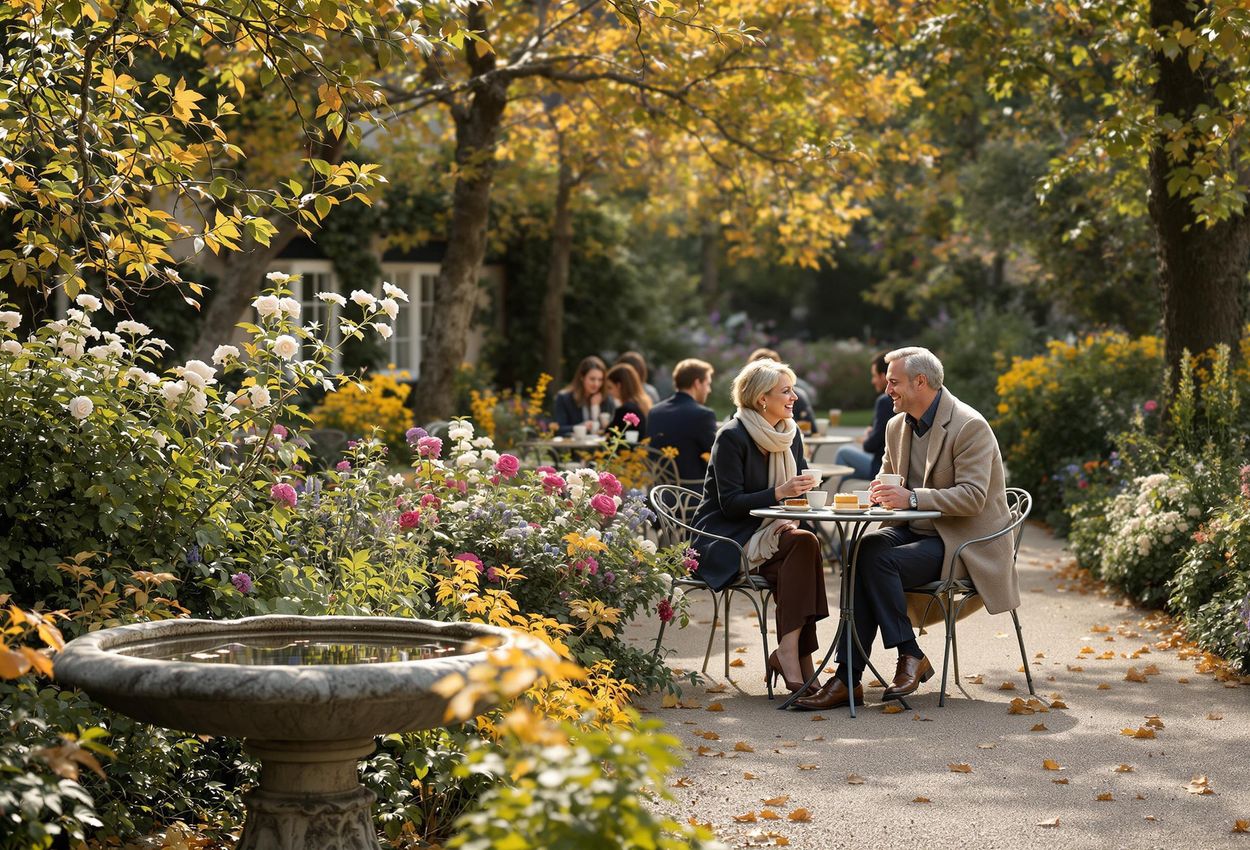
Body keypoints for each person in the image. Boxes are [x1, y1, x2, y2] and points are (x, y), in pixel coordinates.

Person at [795, 346, 1016, 710]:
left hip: (963, 542)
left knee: (878, 561)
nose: (887, 390)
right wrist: (877, 494)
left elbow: (974, 497)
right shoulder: (897, 426)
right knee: (861, 550)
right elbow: (886, 477)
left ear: (920, 382)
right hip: (916, 532)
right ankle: (889, 662)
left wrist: (911, 498)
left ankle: (857, 674)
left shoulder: (969, 425)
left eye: (894, 382)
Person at [691, 359, 830, 695]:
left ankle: (791, 653)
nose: (795, 397)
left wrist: (799, 499)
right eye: (786, 391)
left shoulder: (789, 434)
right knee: (803, 548)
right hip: (727, 537)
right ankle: (797, 655)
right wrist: (780, 493)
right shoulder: (732, 437)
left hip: (774, 533)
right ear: (761, 398)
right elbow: (730, 504)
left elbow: (800, 487)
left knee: (802, 547)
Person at [647, 359, 718, 483]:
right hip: (693, 491)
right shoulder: (703, 415)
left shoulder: (655, 412)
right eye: (707, 384)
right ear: (697, 383)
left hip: (659, 491)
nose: (709, 390)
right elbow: (716, 455)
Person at [833, 351, 893, 479]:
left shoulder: (885, 401)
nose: (872, 381)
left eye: (874, 376)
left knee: (843, 452)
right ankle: (844, 495)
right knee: (847, 468)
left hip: (882, 470)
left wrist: (867, 437)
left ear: (883, 376)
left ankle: (840, 496)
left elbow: (871, 445)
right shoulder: (908, 400)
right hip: (895, 468)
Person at [748, 348, 817, 433]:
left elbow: (813, 431)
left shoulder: (793, 432)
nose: (795, 397)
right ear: (762, 398)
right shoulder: (737, 432)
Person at [553, 356, 614, 436]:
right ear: (582, 377)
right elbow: (558, 429)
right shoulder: (564, 398)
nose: (596, 384)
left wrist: (595, 407)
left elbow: (610, 430)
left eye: (600, 380)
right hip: (572, 446)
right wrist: (580, 426)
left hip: (600, 447)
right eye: (592, 379)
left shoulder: (606, 399)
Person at [604, 362, 652, 436]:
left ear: (618, 386)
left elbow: (610, 436)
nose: (609, 392)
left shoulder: (625, 410)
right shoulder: (643, 403)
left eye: (610, 387)